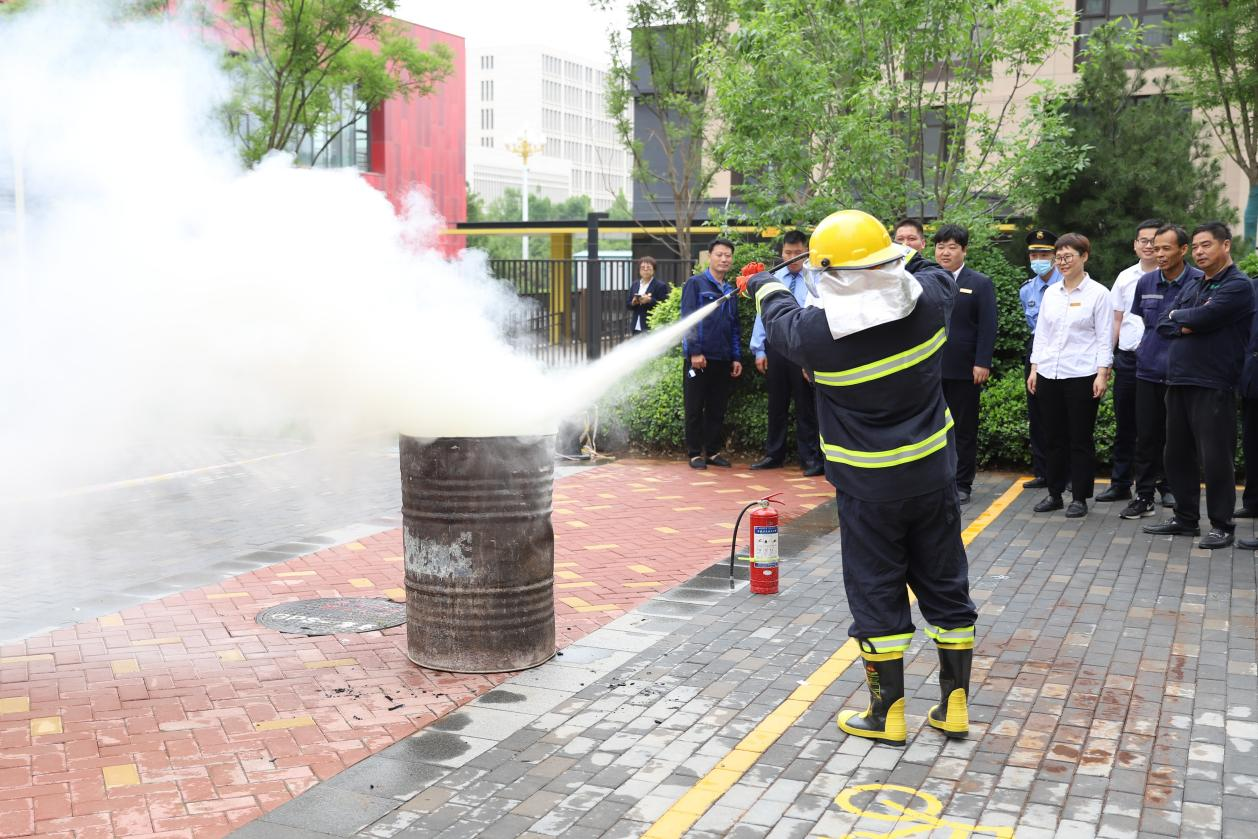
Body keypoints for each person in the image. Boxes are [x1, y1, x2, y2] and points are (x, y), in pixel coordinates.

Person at [743, 209, 977, 747]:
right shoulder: (931, 306)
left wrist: (761, 281)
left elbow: (779, 315)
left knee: (876, 591)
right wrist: (891, 253)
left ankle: (886, 714)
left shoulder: (817, 335)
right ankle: (954, 706)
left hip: (868, 489)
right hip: (932, 477)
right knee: (945, 585)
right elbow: (927, 272)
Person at [1145, 221, 1254, 549]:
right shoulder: (1195, 285)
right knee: (1176, 454)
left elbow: (1204, 318)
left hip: (1213, 382)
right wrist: (1186, 318)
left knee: (1216, 457)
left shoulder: (1238, 286)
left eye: (1206, 245)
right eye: (1196, 247)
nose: (1200, 252)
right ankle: (1186, 518)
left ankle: (1222, 525)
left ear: (1226, 246)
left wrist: (1188, 318)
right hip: (1179, 381)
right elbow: (1164, 322)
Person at [1027, 233, 1112, 518]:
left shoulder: (1099, 293)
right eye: (1059, 258)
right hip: (1050, 371)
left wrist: (1103, 373)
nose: (1062, 263)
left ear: (1084, 256)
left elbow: (1104, 338)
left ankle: (1079, 496)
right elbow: (1042, 333)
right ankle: (1054, 493)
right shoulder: (1051, 293)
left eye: (1068, 257)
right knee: (1052, 436)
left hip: (1082, 373)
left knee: (1079, 437)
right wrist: (1035, 367)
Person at [1119, 224, 1199, 519]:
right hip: (1148, 369)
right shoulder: (1147, 282)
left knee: (1179, 439)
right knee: (1147, 437)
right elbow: (1146, 322)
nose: (1159, 253)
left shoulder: (1198, 282)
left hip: (1182, 374)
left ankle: (1176, 493)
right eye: (1156, 247)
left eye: (1166, 248)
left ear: (1183, 250)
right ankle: (1144, 496)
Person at [1097, 220, 1163, 504]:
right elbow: (1115, 320)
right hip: (1128, 359)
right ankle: (1120, 482)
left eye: (1153, 241)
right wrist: (1107, 360)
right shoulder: (1124, 277)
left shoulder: (1173, 275)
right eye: (1143, 240)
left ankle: (1164, 485)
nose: (1148, 246)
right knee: (1126, 425)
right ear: (1135, 244)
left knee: (1162, 426)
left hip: (1161, 361)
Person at [749, 231, 823, 475]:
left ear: (806, 252)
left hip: (802, 348)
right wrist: (759, 350)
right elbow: (762, 316)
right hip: (776, 348)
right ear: (781, 253)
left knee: (806, 406)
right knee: (776, 404)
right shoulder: (773, 278)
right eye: (787, 253)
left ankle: (810, 459)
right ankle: (774, 454)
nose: (792, 258)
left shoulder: (815, 279)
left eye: (797, 253)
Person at [934, 224, 996, 505]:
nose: (945, 252)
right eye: (940, 246)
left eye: (952, 247)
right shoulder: (927, 279)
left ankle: (962, 483)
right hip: (930, 369)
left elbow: (988, 326)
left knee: (963, 429)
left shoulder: (979, 282)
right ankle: (936, 481)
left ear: (964, 250)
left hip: (964, 369)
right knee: (932, 429)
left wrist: (982, 361)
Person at [680, 238, 743, 469]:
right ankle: (695, 453)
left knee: (717, 407)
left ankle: (713, 451)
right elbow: (688, 320)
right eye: (719, 254)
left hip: (723, 358)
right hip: (699, 359)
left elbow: (734, 325)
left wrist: (736, 356)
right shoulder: (696, 284)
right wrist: (695, 352)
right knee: (695, 406)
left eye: (728, 255)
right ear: (710, 256)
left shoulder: (731, 289)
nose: (724, 259)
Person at [1019, 229, 1062, 489]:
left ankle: (1064, 472)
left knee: (1061, 413)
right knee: (1037, 411)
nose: (1038, 259)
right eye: (1034, 254)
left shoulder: (1065, 284)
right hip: (1036, 348)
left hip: (1063, 348)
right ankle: (1042, 470)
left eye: (1044, 254)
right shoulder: (1027, 289)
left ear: (1055, 256)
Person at [627, 256, 671, 333]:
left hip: (651, 326)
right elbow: (628, 304)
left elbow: (664, 306)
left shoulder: (660, 285)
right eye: (643, 267)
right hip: (636, 326)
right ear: (639, 270)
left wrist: (650, 300)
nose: (645, 269)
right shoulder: (635, 284)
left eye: (648, 267)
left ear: (653, 270)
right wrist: (633, 303)